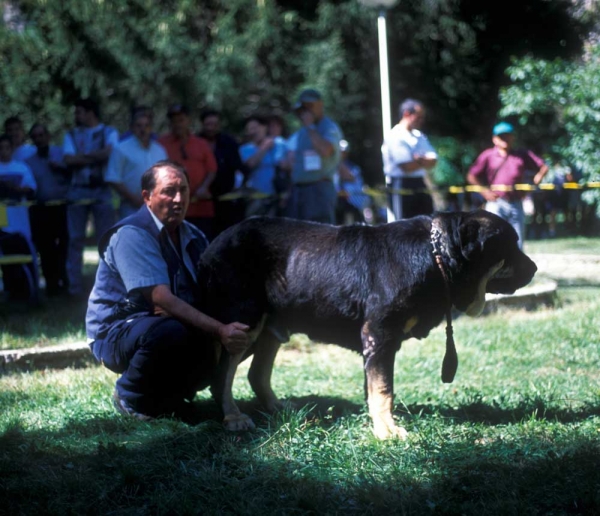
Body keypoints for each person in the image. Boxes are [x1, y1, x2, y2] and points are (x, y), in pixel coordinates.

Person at [86, 160, 250, 421]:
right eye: (168, 191)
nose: (178, 199)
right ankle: (129, 394)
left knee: (235, 333)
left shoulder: (193, 234)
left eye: (183, 190)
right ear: (146, 197)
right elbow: (160, 300)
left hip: (164, 324)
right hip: (115, 333)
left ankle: (167, 397)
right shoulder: (132, 234)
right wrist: (220, 330)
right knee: (174, 332)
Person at [62, 98, 118, 297]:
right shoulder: (71, 134)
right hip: (77, 191)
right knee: (75, 239)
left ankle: (108, 287)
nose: (76, 117)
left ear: (90, 113)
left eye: (79, 112)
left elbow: (110, 153)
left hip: (102, 190)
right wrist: (96, 156)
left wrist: (82, 157)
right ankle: (74, 288)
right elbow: (68, 159)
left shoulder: (109, 132)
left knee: (106, 239)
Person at [467, 121, 548, 248]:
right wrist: (484, 191)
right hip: (496, 203)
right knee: (493, 240)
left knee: (517, 241)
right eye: (501, 136)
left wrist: (536, 180)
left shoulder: (522, 154)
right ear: (495, 139)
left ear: (513, 137)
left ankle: (517, 268)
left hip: (516, 203)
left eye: (508, 135)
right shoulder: (488, 155)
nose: (505, 139)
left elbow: (543, 167)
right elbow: (471, 176)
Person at [285, 88, 343, 224]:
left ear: (320, 105)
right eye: (303, 107)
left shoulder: (328, 127)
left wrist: (311, 127)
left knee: (320, 235)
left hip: (318, 190)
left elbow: (325, 150)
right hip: (299, 190)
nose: (306, 111)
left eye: (310, 106)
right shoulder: (303, 131)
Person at [159, 105, 217, 239]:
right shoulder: (161, 144)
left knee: (202, 245)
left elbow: (212, 169)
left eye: (181, 120)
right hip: (173, 209)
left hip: (201, 208)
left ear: (188, 121)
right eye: (174, 121)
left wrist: (204, 188)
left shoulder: (201, 144)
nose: (178, 124)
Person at [26, 124, 70, 296]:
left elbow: (73, 175)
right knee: (45, 248)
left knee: (64, 245)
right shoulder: (29, 162)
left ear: (48, 136)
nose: (39, 139)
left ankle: (66, 281)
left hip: (63, 208)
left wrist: (60, 168)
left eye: (41, 135)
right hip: (40, 210)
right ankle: (52, 285)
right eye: (35, 136)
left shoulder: (62, 155)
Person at [381, 98, 438, 221]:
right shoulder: (395, 135)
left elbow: (433, 161)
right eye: (419, 116)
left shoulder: (419, 135)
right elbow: (406, 167)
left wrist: (417, 160)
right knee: (404, 228)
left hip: (419, 183)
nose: (421, 120)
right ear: (407, 113)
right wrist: (423, 161)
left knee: (428, 223)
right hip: (400, 184)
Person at [106, 111, 167, 219]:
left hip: (156, 207)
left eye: (146, 126)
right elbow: (113, 178)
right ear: (132, 127)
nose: (143, 129)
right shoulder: (121, 149)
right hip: (130, 207)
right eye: (138, 126)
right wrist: (134, 199)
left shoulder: (160, 150)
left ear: (151, 127)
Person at [0, 133, 39, 301]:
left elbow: (31, 189)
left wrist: (14, 189)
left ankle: (27, 292)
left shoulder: (22, 167)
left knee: (23, 255)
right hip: (2, 224)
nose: (4, 151)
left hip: (20, 222)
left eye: (7, 148)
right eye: (0, 148)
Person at [198, 109, 245, 236]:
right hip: (202, 198)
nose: (211, 128)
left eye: (214, 124)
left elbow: (239, 168)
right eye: (208, 124)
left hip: (226, 199)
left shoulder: (229, 142)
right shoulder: (196, 142)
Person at [239, 115, 288, 217]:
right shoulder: (245, 148)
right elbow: (251, 164)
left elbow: (287, 167)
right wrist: (264, 147)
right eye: (250, 129)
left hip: (277, 195)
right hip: (255, 196)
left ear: (265, 127)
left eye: (256, 127)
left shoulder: (280, 144)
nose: (254, 131)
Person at [334, 139, 371, 225]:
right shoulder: (330, 165)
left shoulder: (353, 167)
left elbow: (349, 177)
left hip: (352, 203)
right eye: (340, 151)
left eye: (344, 152)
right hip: (336, 202)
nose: (342, 154)